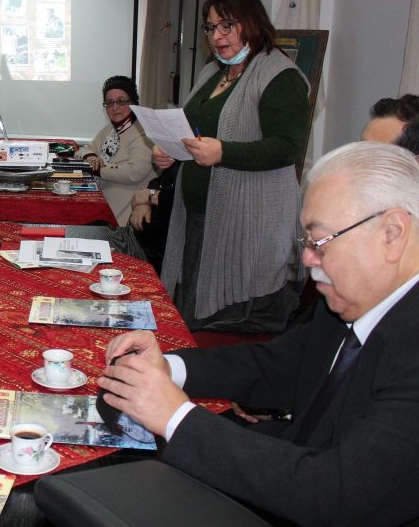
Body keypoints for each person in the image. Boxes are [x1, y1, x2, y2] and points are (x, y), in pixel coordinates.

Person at [99, 141, 419, 526]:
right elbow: (277, 365)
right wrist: (170, 368)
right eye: (306, 243)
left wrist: (175, 417)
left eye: (320, 241)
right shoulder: (354, 298)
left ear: (392, 233)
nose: (307, 259)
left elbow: (342, 494)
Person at [154, 0, 310, 332]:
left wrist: (224, 152)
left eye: (226, 26)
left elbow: (287, 147)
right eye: (210, 28)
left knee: (224, 326)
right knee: (189, 317)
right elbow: (194, 129)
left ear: (252, 23)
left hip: (247, 223)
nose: (216, 36)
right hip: (199, 217)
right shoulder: (213, 72)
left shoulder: (280, 76)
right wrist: (171, 149)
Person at [80, 76, 155, 226]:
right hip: (102, 202)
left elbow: (135, 172)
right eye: (109, 103)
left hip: (124, 213)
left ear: (133, 103)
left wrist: (97, 169)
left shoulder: (144, 132)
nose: (115, 107)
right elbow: (85, 149)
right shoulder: (110, 130)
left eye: (121, 101)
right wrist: (90, 156)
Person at [129, 163, 179, 273]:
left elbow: (180, 200)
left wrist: (151, 197)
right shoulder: (165, 175)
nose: (157, 154)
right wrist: (143, 203)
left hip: (166, 258)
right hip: (142, 249)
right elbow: (149, 189)